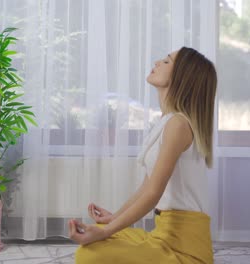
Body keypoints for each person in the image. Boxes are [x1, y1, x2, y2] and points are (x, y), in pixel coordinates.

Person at [68, 47, 217, 264]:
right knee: (97, 238)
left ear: (182, 77)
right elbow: (147, 188)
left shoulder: (178, 125)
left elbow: (153, 195)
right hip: (163, 234)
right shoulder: (168, 122)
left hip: (185, 249)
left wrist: (106, 231)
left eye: (166, 62)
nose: (157, 62)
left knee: (89, 254)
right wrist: (114, 218)